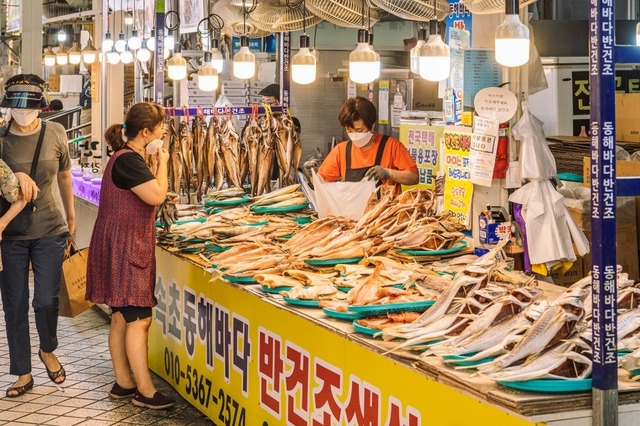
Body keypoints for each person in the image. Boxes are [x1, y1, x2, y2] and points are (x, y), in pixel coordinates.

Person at [86, 102, 176, 410]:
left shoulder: (124, 157)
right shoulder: (130, 160)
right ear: (147, 131)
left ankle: (123, 384)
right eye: (161, 128)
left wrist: (157, 187)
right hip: (126, 248)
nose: (163, 133)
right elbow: (155, 196)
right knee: (139, 319)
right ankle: (145, 391)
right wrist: (163, 162)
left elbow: (143, 195)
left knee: (121, 317)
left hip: (116, 244)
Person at [0, 73, 76, 397]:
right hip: (10, 236)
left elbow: (65, 178)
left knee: (45, 300)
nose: (23, 112)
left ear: (40, 106)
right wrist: (15, 173)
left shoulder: (56, 133)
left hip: (49, 229)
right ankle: (22, 372)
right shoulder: (0, 139)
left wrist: (72, 221)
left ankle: (48, 348)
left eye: (29, 106)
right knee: (14, 304)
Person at [318, 96, 419, 194]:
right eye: (349, 130)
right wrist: (312, 174)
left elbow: (414, 177)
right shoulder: (341, 150)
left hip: (384, 210)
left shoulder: (392, 146)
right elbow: (321, 183)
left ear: (372, 125)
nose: (355, 135)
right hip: (351, 210)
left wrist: (388, 173)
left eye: (359, 130)